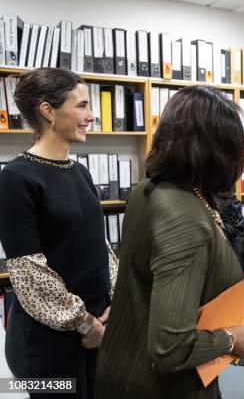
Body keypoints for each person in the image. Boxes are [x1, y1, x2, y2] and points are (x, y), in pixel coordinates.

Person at [95, 85, 244, 399]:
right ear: (217, 150)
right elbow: (169, 347)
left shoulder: (151, 189)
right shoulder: (185, 219)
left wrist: (236, 294)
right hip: (163, 388)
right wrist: (231, 340)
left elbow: (160, 282)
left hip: (123, 365)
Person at [0, 68, 118, 398]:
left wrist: (114, 307)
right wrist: (85, 323)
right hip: (46, 345)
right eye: (81, 106)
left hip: (96, 330)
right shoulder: (16, 178)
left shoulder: (80, 171)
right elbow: (29, 275)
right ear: (48, 111)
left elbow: (102, 247)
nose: (91, 116)